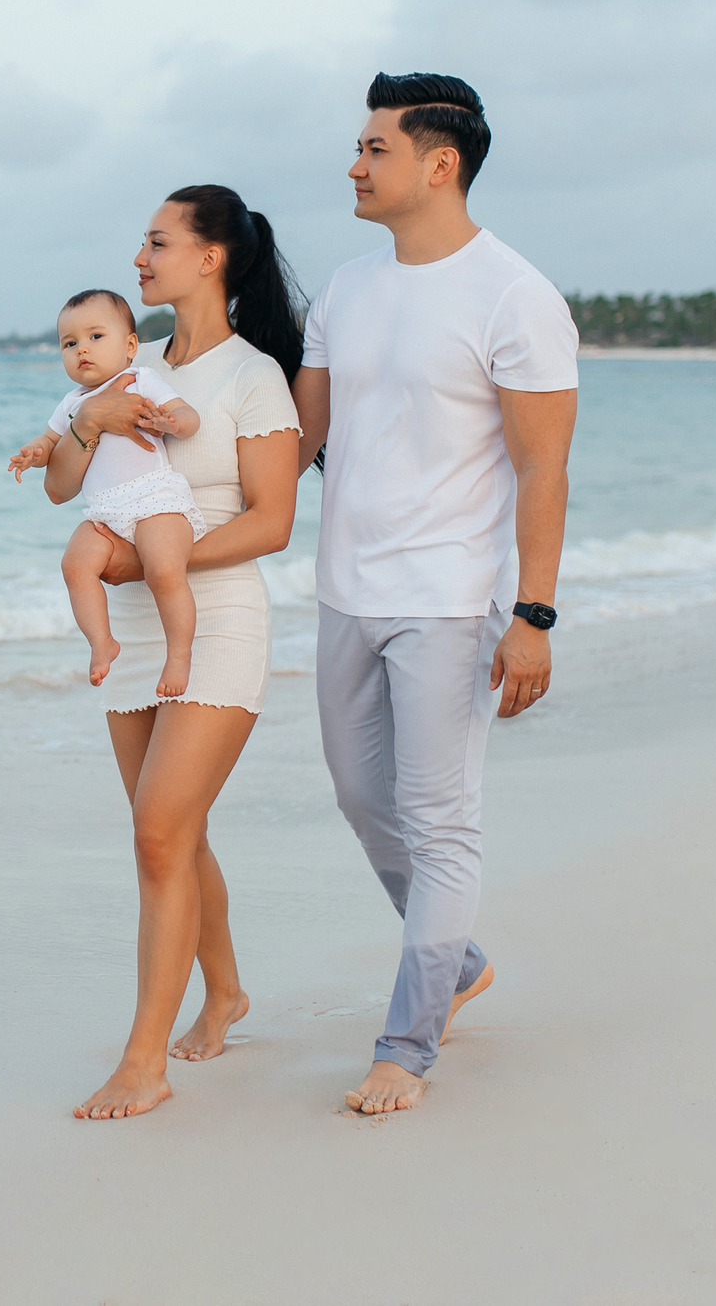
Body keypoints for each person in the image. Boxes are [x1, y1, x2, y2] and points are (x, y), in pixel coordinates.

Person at [291, 73, 579, 1117]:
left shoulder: (514, 295)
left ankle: (405, 1045)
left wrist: (532, 615)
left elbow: (543, 467)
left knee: (438, 822)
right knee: (363, 801)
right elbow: (301, 438)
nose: (355, 166)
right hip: (345, 589)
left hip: (450, 599)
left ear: (439, 163)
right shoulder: (345, 288)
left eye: (375, 149)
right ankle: (458, 962)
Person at [42, 186, 306, 1120]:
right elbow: (62, 488)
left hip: (215, 615)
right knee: (174, 834)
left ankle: (143, 1059)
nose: (140, 259)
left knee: (158, 831)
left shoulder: (253, 377)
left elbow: (273, 523)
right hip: (138, 621)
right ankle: (224, 991)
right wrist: (87, 424)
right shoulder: (127, 362)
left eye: (157, 242)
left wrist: (154, 561)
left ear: (210, 258)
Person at [9, 289, 206, 696]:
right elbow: (51, 442)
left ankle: (179, 654)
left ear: (130, 346)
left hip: (154, 500)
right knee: (75, 565)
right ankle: (102, 642)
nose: (82, 349)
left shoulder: (140, 380)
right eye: (69, 343)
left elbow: (188, 416)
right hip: (105, 513)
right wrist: (34, 452)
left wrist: (172, 423)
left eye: (95, 337)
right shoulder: (72, 403)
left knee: (164, 569)